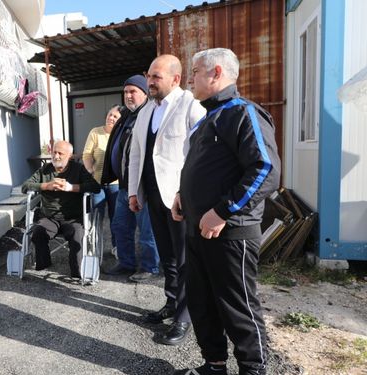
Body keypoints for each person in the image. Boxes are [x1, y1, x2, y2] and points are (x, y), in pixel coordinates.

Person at [172, 48, 280, 375]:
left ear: (216, 73)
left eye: (195, 72)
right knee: (203, 304)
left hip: (230, 234)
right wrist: (182, 194)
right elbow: (205, 167)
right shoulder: (209, 118)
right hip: (198, 230)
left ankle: (254, 370)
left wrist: (222, 211)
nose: (190, 79)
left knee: (238, 309)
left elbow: (265, 170)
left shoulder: (243, 113)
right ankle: (214, 365)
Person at [128, 55, 205, 345]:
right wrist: (134, 191)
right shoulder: (147, 109)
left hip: (178, 198)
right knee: (168, 258)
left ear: (176, 78)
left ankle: (184, 317)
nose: (149, 81)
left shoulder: (190, 105)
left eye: (156, 76)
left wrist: (185, 193)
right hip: (152, 194)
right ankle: (172, 303)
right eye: (149, 75)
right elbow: (137, 152)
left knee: (186, 260)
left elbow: (199, 154)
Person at [101, 75, 160, 283]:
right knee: (120, 227)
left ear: (144, 93)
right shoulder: (126, 116)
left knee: (147, 231)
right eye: (125, 92)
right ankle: (126, 263)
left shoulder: (150, 114)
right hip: (124, 186)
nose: (128, 95)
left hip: (143, 186)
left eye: (133, 91)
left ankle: (150, 267)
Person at [21, 140, 100, 278]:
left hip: (73, 217)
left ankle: (77, 272)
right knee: (38, 232)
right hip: (49, 217)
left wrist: (71, 187)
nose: (56, 156)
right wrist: (46, 186)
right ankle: (44, 264)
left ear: (69, 155)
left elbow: (95, 187)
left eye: (60, 153)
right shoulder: (45, 169)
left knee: (77, 236)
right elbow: (25, 186)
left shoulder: (78, 169)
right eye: (54, 152)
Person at [81, 105, 121, 251]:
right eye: (110, 114)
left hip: (116, 184)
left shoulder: (121, 134)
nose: (111, 118)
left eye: (115, 117)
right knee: (96, 217)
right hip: (97, 183)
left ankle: (117, 247)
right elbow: (86, 154)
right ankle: (95, 247)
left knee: (116, 219)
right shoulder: (95, 132)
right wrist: (90, 169)